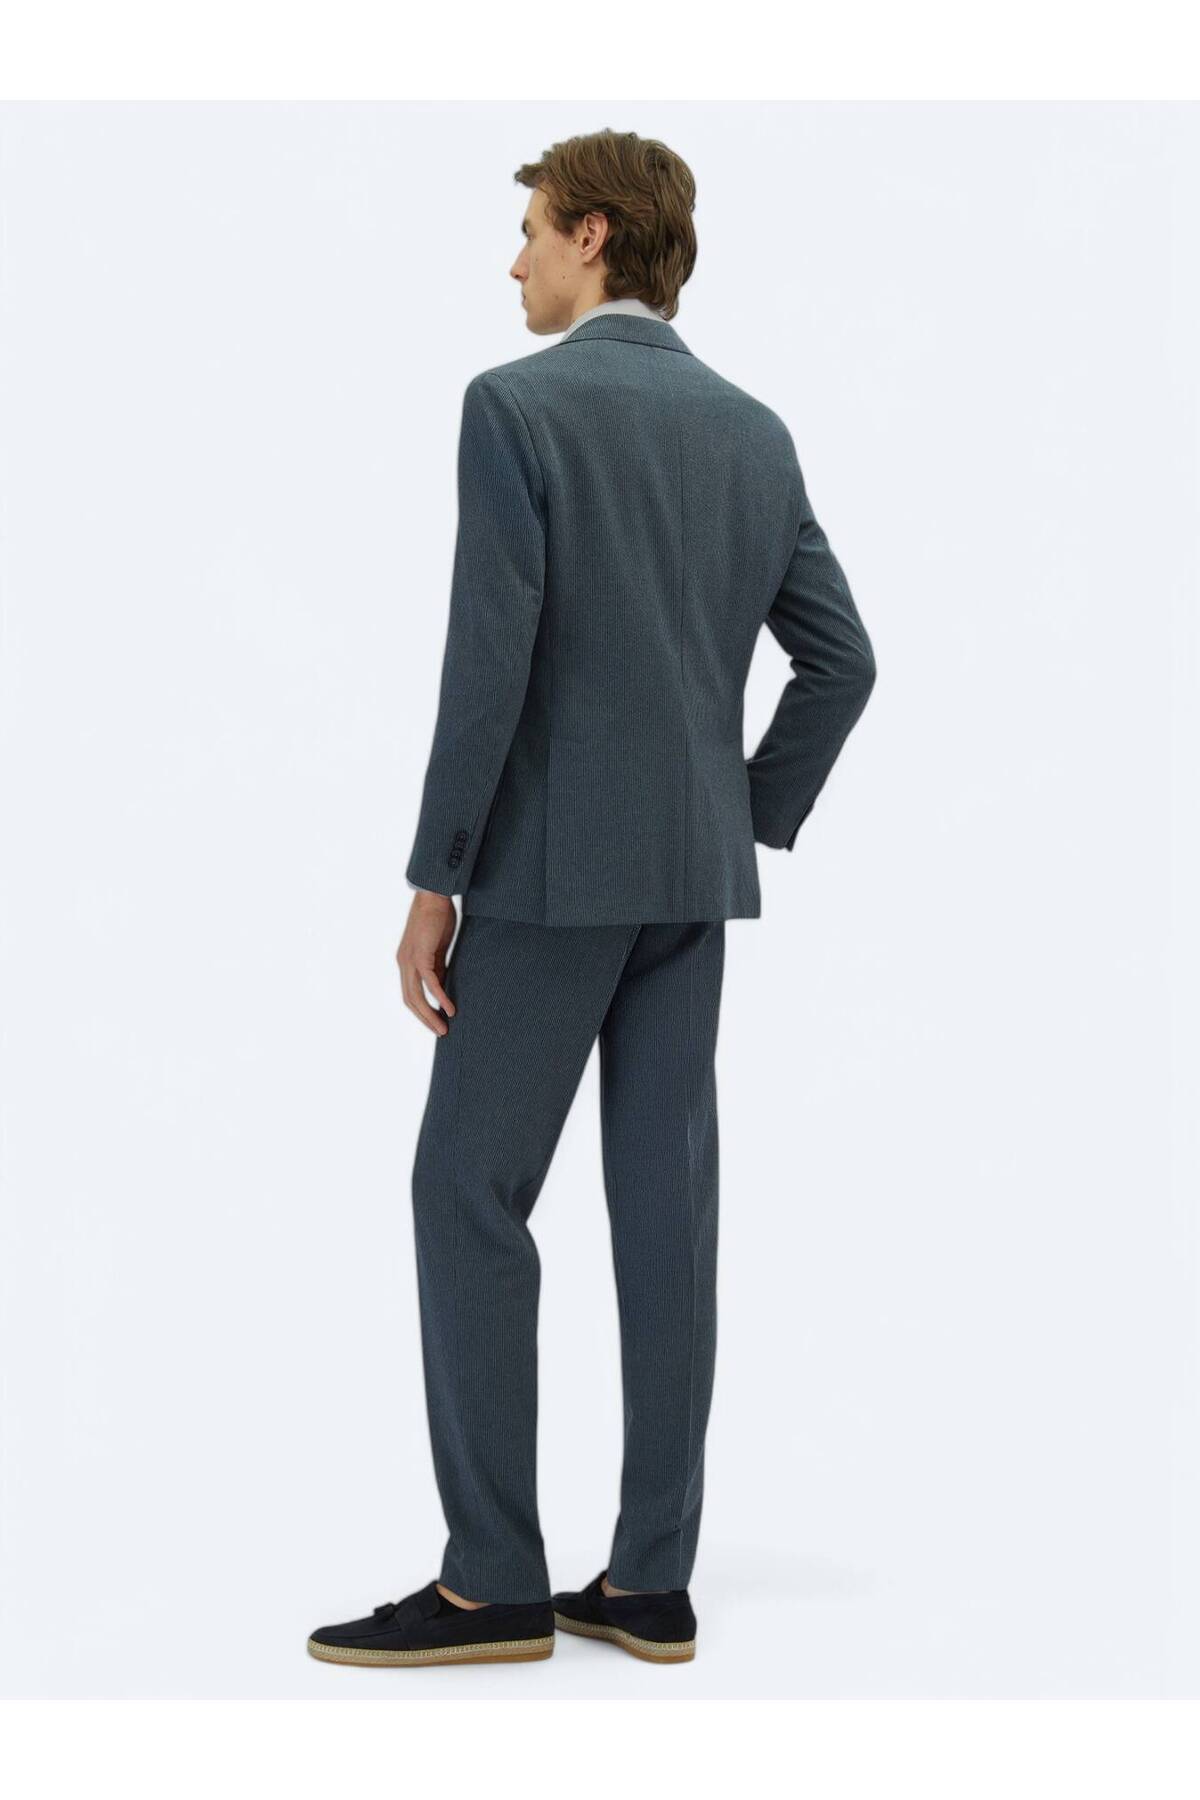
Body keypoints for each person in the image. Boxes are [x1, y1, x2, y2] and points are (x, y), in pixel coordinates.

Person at [308, 128, 875, 1670]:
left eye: (533, 232)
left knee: (466, 1192)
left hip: (551, 880)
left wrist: (435, 876)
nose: (515, 262)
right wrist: (741, 815)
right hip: (690, 883)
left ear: (598, 236)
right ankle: (650, 1582)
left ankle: (493, 1581)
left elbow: (487, 666)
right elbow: (842, 662)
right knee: (667, 1216)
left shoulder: (517, 407)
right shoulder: (753, 431)